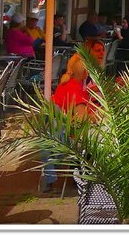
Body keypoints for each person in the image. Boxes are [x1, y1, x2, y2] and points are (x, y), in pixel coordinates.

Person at [41, 53, 95, 193]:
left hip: (54, 135)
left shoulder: (64, 85)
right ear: (85, 73)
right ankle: (90, 181)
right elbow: (81, 121)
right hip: (65, 140)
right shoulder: (75, 92)